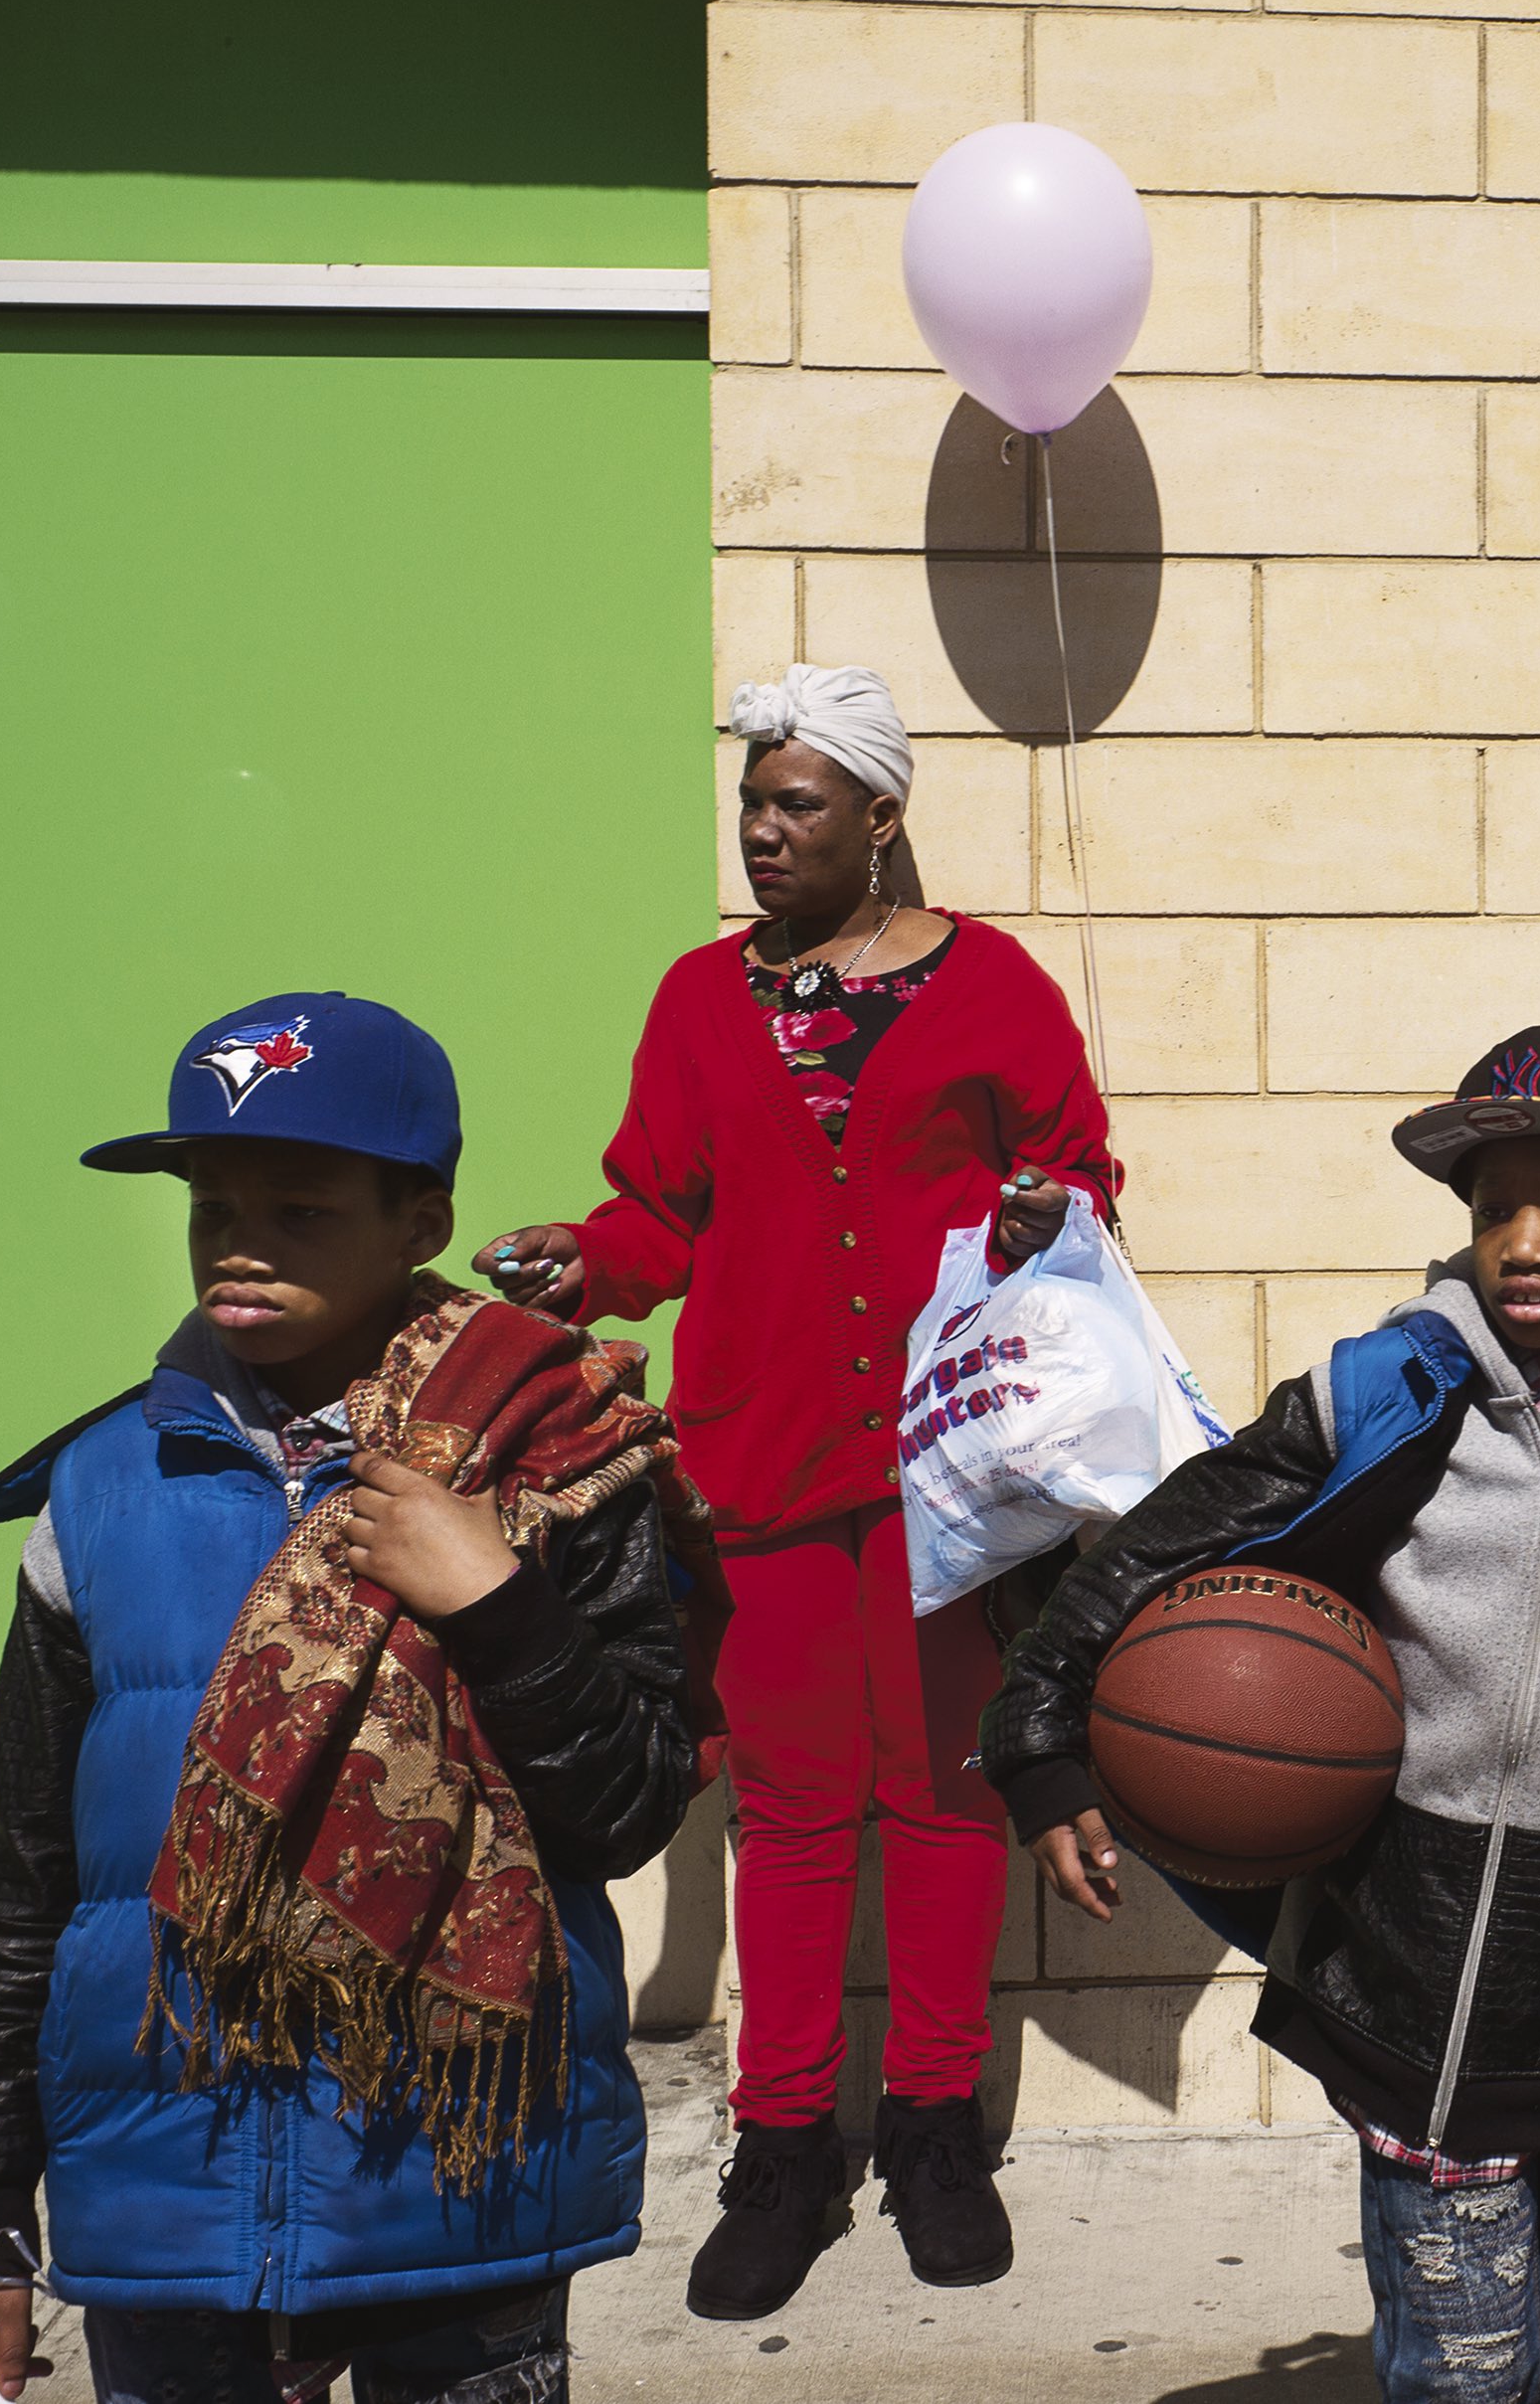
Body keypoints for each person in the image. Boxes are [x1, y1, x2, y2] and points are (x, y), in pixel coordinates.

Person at [0, 992, 702, 2404]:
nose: (240, 1240)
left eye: (300, 1205)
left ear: (420, 1221)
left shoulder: (562, 1458)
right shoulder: (100, 1488)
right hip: (169, 2190)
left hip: (461, 2184)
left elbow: (631, 1804)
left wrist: (498, 1599)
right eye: (213, 1202)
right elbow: (24, 1883)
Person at [480, 663, 1120, 2318]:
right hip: (763, 1462)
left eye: (796, 805)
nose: (762, 833)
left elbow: (1081, 1169)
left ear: (880, 818)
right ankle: (783, 2142)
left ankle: (930, 2126)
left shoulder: (997, 987)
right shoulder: (702, 1002)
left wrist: (1048, 1210)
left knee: (944, 1792)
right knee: (790, 1807)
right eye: (752, 805)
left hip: (947, 1466)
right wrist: (583, 1264)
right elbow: (658, 1215)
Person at [979, 1028, 1540, 2404]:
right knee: (1465, 2377)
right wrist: (1038, 1735)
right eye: (1496, 1209)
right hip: (1417, 1985)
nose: (1527, 1241)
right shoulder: (1391, 1393)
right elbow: (1154, 1551)